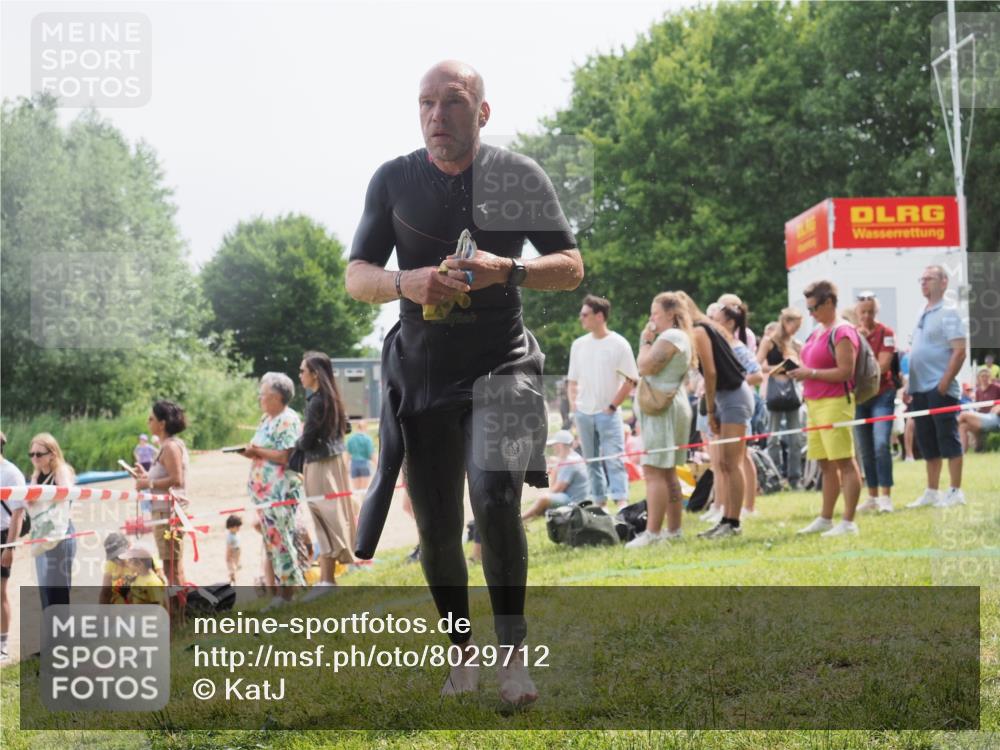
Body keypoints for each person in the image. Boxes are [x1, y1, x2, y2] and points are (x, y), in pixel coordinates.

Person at [344, 60, 582, 705]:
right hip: (422, 370)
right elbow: (357, 275)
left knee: (497, 500)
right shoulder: (393, 179)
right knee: (437, 527)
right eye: (425, 103)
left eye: (451, 102)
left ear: (482, 111)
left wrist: (510, 270)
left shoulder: (517, 176)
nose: (436, 116)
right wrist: (407, 282)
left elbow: (571, 267)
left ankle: (513, 660)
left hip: (501, 362)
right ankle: (462, 655)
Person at [789, 280, 862, 537]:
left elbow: (845, 372)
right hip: (814, 403)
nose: (810, 314)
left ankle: (849, 522)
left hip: (835, 403)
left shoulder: (843, 331)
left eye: (814, 308)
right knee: (825, 464)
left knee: (844, 462)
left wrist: (810, 373)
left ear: (829, 302)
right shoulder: (818, 331)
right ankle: (826, 518)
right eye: (808, 308)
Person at [677, 293, 754, 539]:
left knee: (732, 462)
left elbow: (710, 373)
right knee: (722, 463)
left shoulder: (700, 331)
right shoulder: (706, 328)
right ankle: (725, 519)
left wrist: (710, 410)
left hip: (733, 397)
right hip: (724, 396)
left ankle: (733, 521)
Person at [626, 292, 694, 547]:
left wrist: (645, 341)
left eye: (655, 313)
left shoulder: (672, 336)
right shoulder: (678, 336)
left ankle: (652, 533)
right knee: (667, 471)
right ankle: (673, 530)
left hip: (663, 412)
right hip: (669, 408)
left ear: (670, 314)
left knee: (654, 471)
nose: (651, 318)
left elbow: (645, 366)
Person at [239, 373, 307, 609]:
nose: (260, 398)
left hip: (280, 492)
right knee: (272, 542)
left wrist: (256, 452)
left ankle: (288, 594)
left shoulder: (287, 419)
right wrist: (251, 452)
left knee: (282, 540)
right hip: (263, 493)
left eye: (263, 394)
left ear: (277, 397)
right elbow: (261, 448)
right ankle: (283, 590)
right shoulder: (266, 419)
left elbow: (285, 455)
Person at [567, 294, 639, 510]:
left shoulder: (619, 344)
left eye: (585, 314)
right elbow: (572, 381)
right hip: (583, 413)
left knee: (614, 458)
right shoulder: (578, 345)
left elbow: (631, 379)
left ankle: (621, 501)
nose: (581, 318)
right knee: (591, 461)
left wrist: (612, 406)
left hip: (608, 413)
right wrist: (574, 406)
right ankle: (599, 503)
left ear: (599, 316)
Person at [906, 265, 968, 509]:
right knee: (927, 441)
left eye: (929, 278)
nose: (924, 282)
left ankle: (955, 490)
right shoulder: (921, 311)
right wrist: (910, 384)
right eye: (921, 279)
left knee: (947, 438)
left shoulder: (950, 312)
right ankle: (932, 491)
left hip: (939, 388)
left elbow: (959, 351)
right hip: (919, 388)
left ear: (943, 282)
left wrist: (944, 383)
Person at [297, 352, 355, 593]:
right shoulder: (333, 398)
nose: (300, 375)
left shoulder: (316, 402)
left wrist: (297, 439)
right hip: (335, 462)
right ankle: (327, 579)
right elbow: (347, 427)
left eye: (302, 370)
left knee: (323, 520)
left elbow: (307, 441)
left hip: (319, 465)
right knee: (331, 518)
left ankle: (328, 581)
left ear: (314, 374)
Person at [713, 301, 763, 518]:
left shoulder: (738, 348)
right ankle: (726, 507)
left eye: (717, 320)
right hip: (723, 406)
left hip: (737, 407)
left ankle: (746, 507)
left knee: (740, 458)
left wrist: (735, 383)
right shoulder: (722, 346)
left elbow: (757, 374)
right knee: (725, 461)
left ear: (730, 323)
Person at [133, 400, 189, 589]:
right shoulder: (165, 446)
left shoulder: (171, 447)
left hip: (169, 513)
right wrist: (145, 476)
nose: (148, 422)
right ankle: (180, 606)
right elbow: (165, 477)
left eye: (151, 419)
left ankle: (179, 607)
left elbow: (176, 479)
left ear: (162, 423)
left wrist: (147, 483)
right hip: (164, 512)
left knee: (172, 568)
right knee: (172, 566)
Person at [852, 291, 897, 514]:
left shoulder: (886, 333)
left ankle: (886, 496)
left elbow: (884, 365)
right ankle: (872, 496)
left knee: (880, 444)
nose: (866, 316)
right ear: (857, 313)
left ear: (876, 311)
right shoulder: (852, 334)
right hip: (860, 397)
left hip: (883, 394)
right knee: (865, 448)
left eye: (870, 312)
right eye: (863, 312)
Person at [25, 433, 77, 609]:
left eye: (39, 454)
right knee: (45, 589)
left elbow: (66, 494)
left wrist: (41, 493)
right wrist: (35, 478)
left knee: (58, 590)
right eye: (31, 454)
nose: (34, 458)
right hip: (43, 533)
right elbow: (30, 502)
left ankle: (60, 626)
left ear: (52, 454)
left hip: (61, 533)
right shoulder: (37, 474)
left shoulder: (61, 470)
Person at [757, 308, 805, 487]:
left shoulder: (796, 344)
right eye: (795, 326)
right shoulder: (769, 342)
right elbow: (757, 364)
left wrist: (796, 368)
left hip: (792, 392)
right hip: (775, 391)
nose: (796, 330)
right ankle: (774, 477)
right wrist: (778, 368)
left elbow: (803, 365)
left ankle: (795, 478)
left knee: (796, 438)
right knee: (773, 438)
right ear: (785, 322)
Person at [520, 430, 589, 521]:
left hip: (574, 502)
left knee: (543, 498)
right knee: (545, 500)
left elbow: (557, 490)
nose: (553, 448)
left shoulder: (568, 462)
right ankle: (530, 518)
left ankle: (521, 519)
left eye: (554, 445)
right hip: (579, 498)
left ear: (560, 445)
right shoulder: (574, 457)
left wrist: (555, 470)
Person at [0, 432, 26, 662]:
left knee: (0, 592)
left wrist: (10, 547)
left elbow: (18, 513)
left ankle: (2, 645)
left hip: (3, 535)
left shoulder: (11, 473)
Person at [958, 366, 1000, 452]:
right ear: (978, 378)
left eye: (986, 376)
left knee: (963, 415)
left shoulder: (997, 388)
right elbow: (977, 407)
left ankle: (948, 431)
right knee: (963, 426)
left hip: (994, 417)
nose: (984, 378)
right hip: (982, 416)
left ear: (990, 377)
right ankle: (961, 453)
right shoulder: (978, 391)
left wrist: (998, 406)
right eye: (982, 376)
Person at [99, 532, 131, 605]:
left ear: (129, 546)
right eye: (114, 558)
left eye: (120, 555)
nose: (118, 560)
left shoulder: (140, 561)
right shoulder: (111, 564)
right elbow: (105, 593)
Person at [346, 419, 376, 491]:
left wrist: (346, 467)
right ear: (365, 428)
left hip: (354, 465)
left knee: (356, 491)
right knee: (364, 490)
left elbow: (348, 455)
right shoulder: (368, 439)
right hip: (365, 464)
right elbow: (371, 454)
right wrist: (377, 465)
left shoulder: (351, 439)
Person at [225, 515, 243, 585]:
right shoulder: (230, 536)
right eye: (237, 527)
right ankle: (232, 577)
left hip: (236, 551)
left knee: (234, 566)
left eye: (239, 527)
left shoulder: (235, 533)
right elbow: (229, 547)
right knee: (232, 566)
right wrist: (228, 555)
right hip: (232, 552)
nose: (239, 528)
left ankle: (233, 577)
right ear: (231, 527)